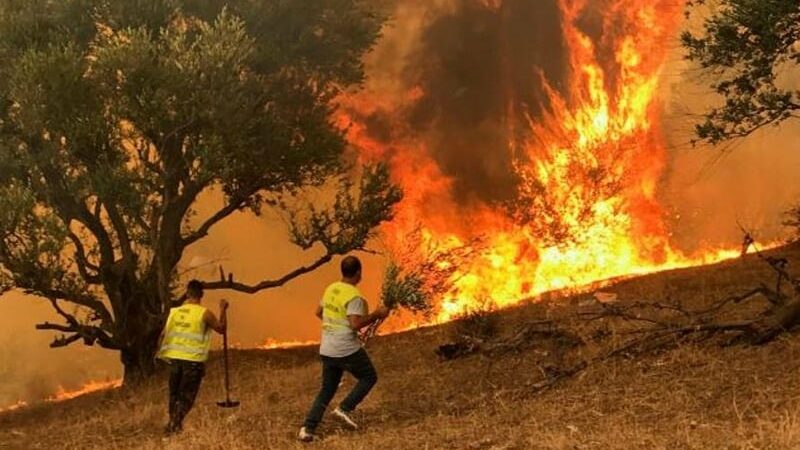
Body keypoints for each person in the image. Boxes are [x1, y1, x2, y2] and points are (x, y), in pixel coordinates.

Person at [298, 256, 390, 442]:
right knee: (369, 377)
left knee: (327, 389)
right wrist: (377, 314)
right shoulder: (354, 296)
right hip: (345, 348)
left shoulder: (332, 288)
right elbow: (355, 324)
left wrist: (334, 325)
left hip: (327, 347)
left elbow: (318, 312)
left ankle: (308, 429)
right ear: (358, 273)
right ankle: (344, 409)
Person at [158, 279, 228, 435]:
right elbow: (221, 328)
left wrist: (160, 356)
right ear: (201, 295)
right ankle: (173, 425)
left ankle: (174, 426)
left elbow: (163, 335)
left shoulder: (174, 313)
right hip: (193, 361)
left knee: (174, 395)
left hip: (175, 360)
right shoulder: (204, 313)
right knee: (187, 396)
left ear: (187, 293)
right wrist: (222, 309)